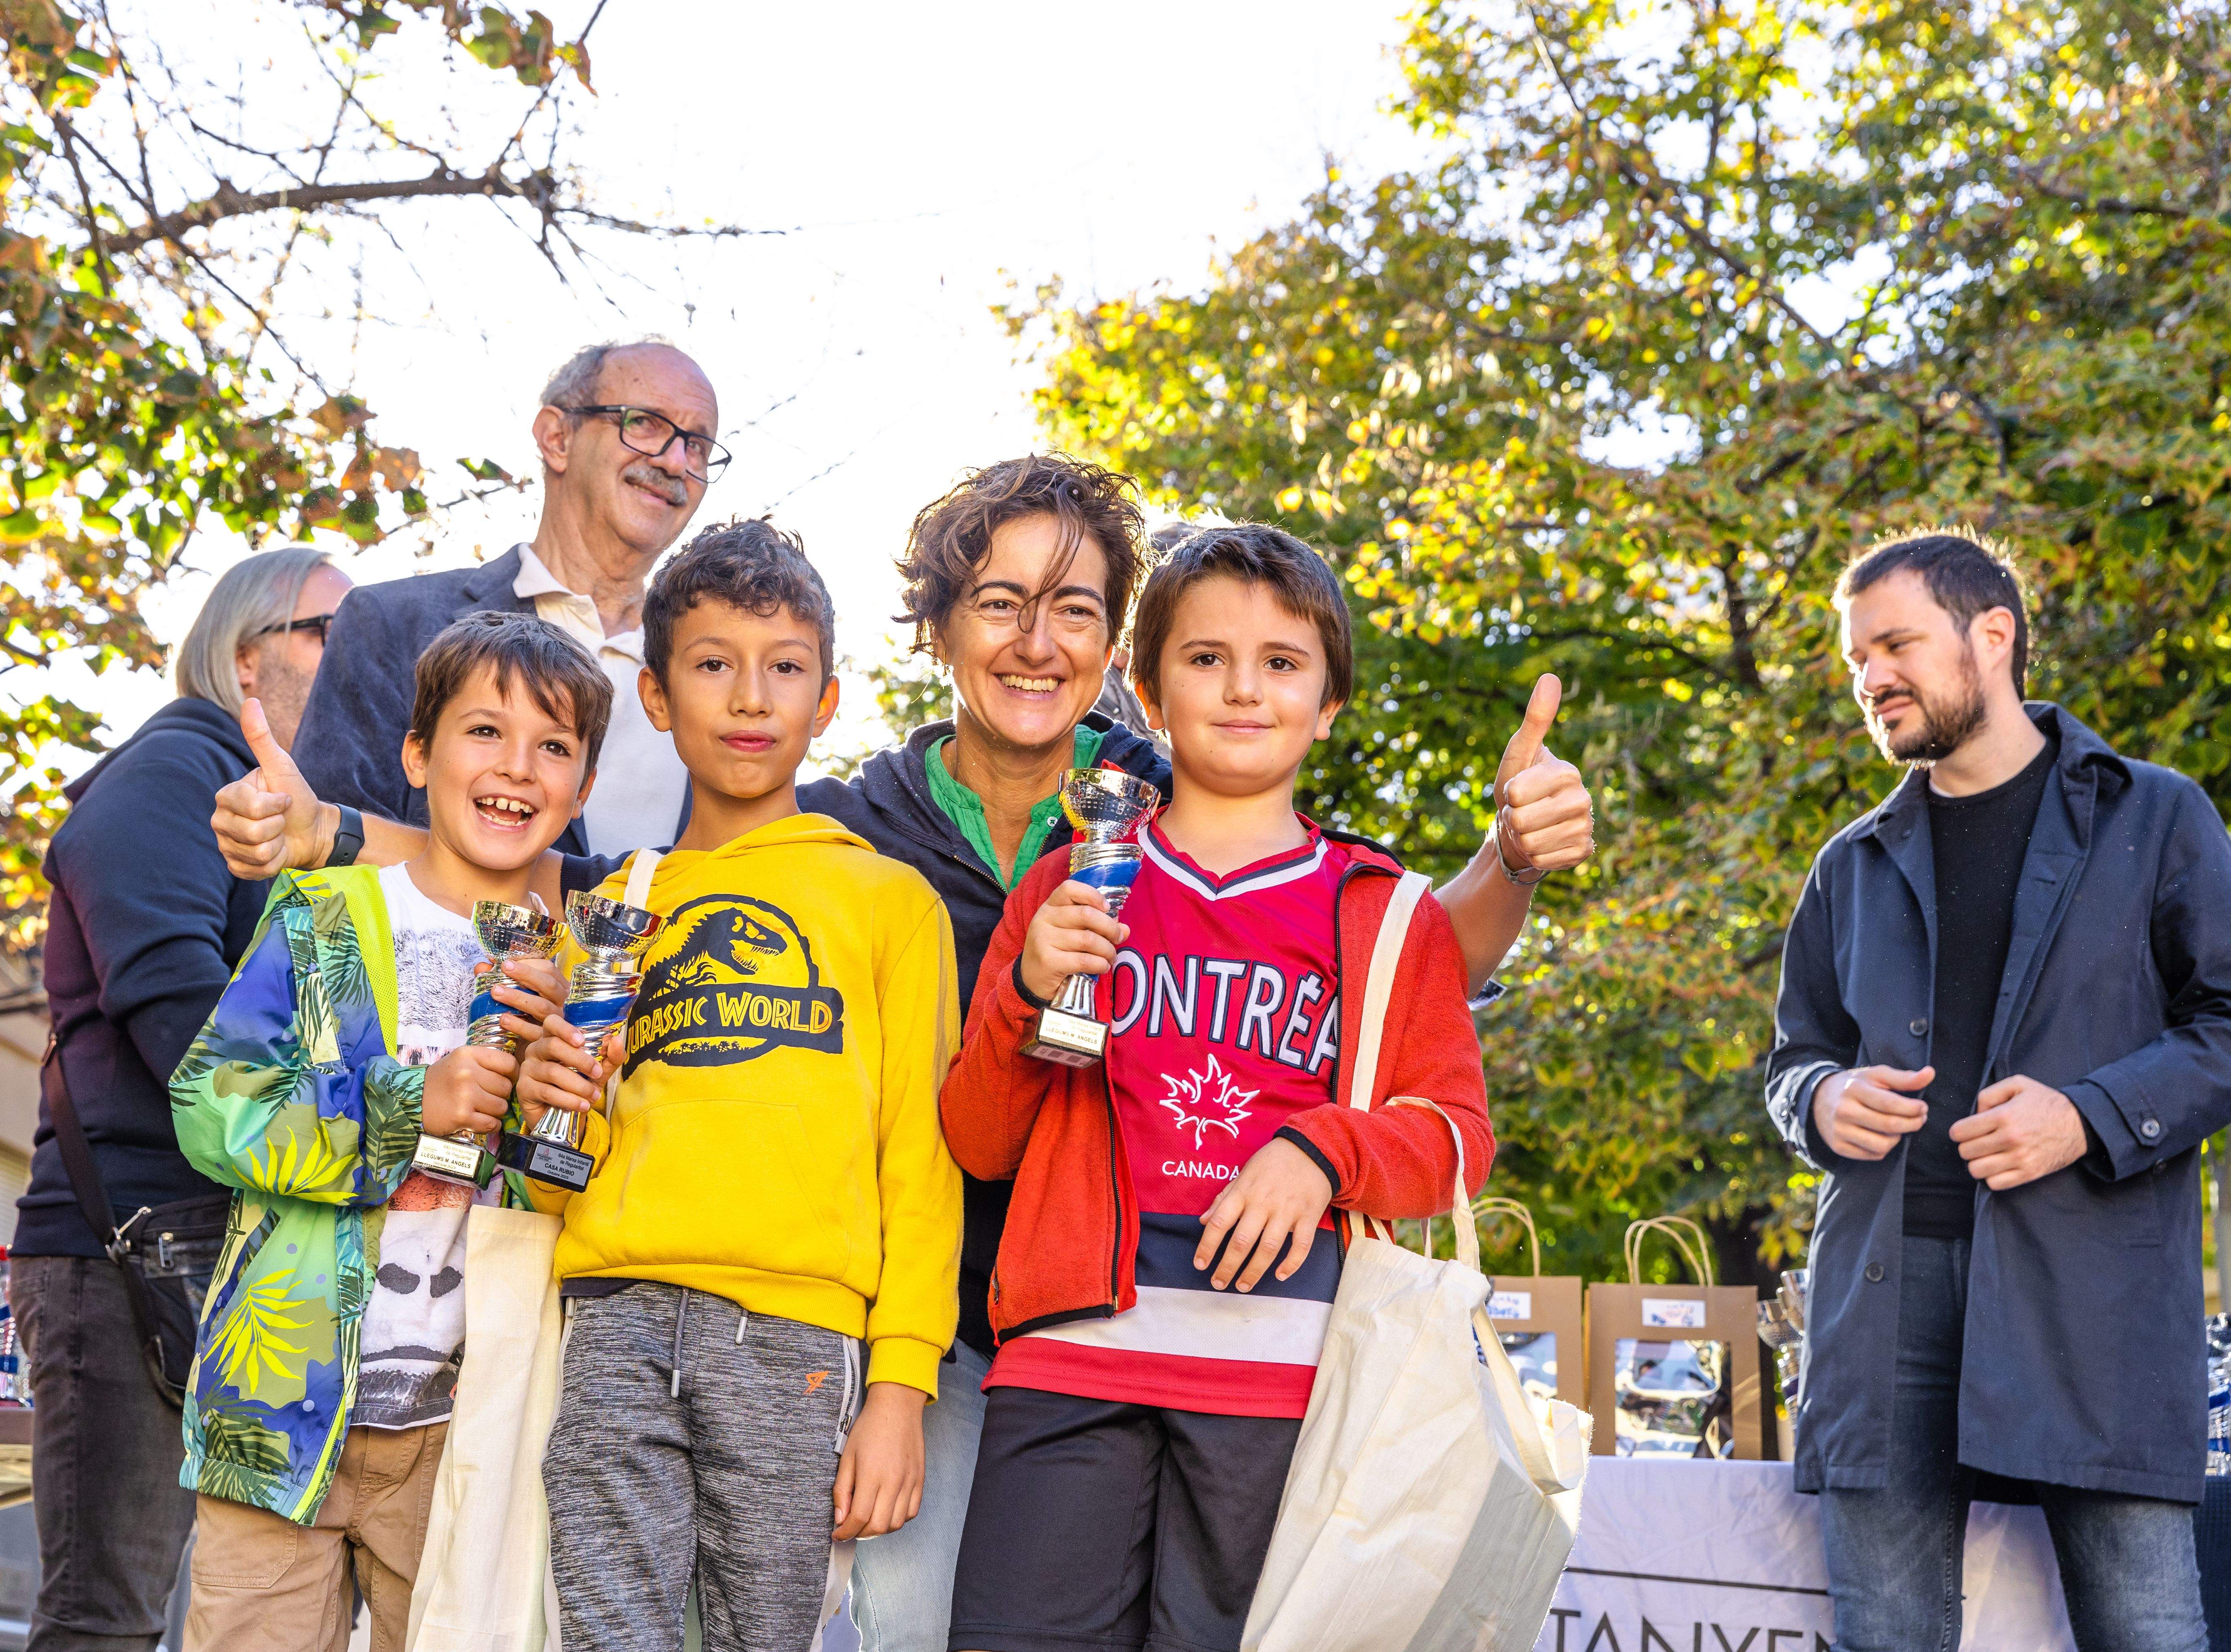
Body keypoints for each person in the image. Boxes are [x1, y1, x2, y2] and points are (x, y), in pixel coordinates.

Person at [208, 453, 1599, 1652]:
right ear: (939, 633)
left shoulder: (1181, 821)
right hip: (905, 1338)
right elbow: (579, 884)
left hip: (1113, 1346)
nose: (1035, 641)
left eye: (1073, 611)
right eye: (998, 603)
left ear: (1119, 650)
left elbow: (1402, 987)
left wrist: (1512, 859)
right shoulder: (842, 829)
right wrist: (336, 834)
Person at [933, 522, 1491, 1652]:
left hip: (1279, 1386)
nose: (1245, 690)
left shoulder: (1387, 914)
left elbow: (1453, 1139)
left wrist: (1321, 1149)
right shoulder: (1069, 881)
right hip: (1066, 1366)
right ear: (1146, 690)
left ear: (1330, 701)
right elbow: (980, 1142)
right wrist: (1028, 993)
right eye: (1206, 658)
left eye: (1283, 663)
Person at [1765, 530, 2231, 1652]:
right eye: (1854, 657)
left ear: (1993, 635)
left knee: (2149, 1632)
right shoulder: (1850, 864)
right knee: (1888, 1637)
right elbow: (1791, 1065)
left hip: (2094, 1299)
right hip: (1880, 1308)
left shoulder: (2159, 817)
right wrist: (1823, 1101)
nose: (1870, 675)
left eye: (1895, 644)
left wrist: (2088, 1116)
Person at [510, 521, 962, 1652]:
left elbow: (922, 1156)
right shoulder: (610, 913)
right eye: (713, 664)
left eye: (785, 666)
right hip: (615, 1317)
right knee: (612, 1636)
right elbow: (553, 1176)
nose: (750, 697)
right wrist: (544, 1104)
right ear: (658, 699)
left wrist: (903, 1386)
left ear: (830, 698)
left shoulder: (886, 901)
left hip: (796, 1340)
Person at [170, 612, 608, 1652]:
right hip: (273, 1419)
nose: (516, 768)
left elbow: (572, 1190)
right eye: (483, 733)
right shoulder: (326, 912)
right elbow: (211, 1105)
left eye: (553, 747)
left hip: (469, 1439)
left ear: (583, 789)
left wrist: (556, 1109)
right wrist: (407, 1110)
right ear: (417, 753)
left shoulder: (586, 969)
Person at [15, 545, 351, 1652]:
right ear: (248, 658)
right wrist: (374, 1135)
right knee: (107, 1620)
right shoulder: (171, 776)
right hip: (133, 1249)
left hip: (225, 1244)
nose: (361, 658)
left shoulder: (284, 806)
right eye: (329, 632)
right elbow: (185, 1020)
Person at [282, 338, 722, 863]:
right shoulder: (392, 625)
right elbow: (319, 869)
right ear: (557, 437)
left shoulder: (722, 672)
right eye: (646, 423)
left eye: (698, 445)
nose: (676, 462)